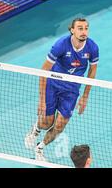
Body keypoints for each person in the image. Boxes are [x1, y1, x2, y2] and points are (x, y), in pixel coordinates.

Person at [24, 18, 99, 162]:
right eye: (80, 28)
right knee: (46, 122)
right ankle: (35, 131)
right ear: (72, 30)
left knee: (59, 125)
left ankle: (40, 148)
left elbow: (92, 72)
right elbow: (44, 70)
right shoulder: (61, 45)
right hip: (53, 85)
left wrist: (85, 96)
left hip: (71, 90)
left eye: (86, 28)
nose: (84, 32)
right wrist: (42, 100)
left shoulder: (92, 48)